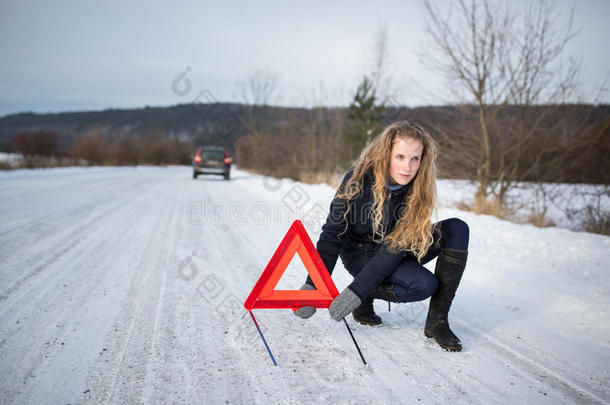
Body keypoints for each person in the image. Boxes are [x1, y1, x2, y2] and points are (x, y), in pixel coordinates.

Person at [293, 120, 469, 352]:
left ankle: (437, 322)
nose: (408, 167)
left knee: (457, 228)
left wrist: (357, 290)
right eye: (400, 157)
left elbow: (396, 246)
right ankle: (365, 293)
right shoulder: (356, 180)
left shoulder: (417, 188)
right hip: (360, 253)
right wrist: (313, 284)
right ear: (386, 154)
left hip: (395, 250)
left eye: (415, 158)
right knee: (424, 285)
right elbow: (331, 235)